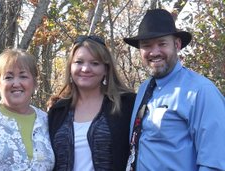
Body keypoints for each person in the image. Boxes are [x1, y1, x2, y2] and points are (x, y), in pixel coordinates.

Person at [123, 9, 225, 171]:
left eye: (162, 44)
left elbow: (215, 163)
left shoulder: (201, 92)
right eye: (146, 45)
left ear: (177, 45)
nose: (154, 52)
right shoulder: (144, 89)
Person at [47, 35, 136, 171]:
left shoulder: (126, 104)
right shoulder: (57, 110)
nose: (85, 69)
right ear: (70, 66)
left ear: (106, 69)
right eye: (79, 62)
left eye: (95, 63)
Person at [0, 48, 55, 171]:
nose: (16, 83)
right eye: (8, 77)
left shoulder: (47, 121)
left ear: (34, 83)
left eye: (23, 76)